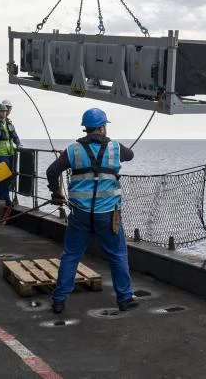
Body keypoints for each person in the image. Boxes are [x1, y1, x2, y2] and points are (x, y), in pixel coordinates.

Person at [46, 108, 136, 314]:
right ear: (102, 127)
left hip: (81, 214)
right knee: (117, 255)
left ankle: (59, 300)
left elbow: (52, 171)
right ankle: (124, 298)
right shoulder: (115, 148)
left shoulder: (73, 150)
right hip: (108, 214)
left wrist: (56, 192)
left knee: (71, 255)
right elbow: (130, 155)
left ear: (85, 128)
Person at [0, 102, 20, 206]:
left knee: (8, 177)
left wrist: (18, 144)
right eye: (2, 111)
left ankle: (3, 198)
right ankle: (5, 199)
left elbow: (14, 135)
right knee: (2, 178)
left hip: (10, 154)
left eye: (5, 111)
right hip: (0, 155)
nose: (4, 113)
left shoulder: (9, 123)